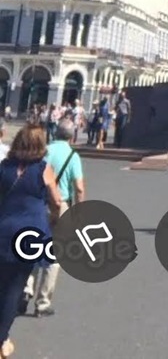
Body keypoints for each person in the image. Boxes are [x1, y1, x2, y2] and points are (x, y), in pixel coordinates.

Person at [0, 126, 64, 357]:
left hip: (3, 230)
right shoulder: (43, 169)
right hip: (29, 236)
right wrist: (55, 219)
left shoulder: (4, 168)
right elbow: (56, 201)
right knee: (13, 289)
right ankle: (1, 339)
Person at [27, 117, 85, 318]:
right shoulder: (73, 156)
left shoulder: (45, 151)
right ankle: (42, 302)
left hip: (39, 204)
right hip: (61, 206)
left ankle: (26, 289)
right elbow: (78, 187)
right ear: (72, 135)